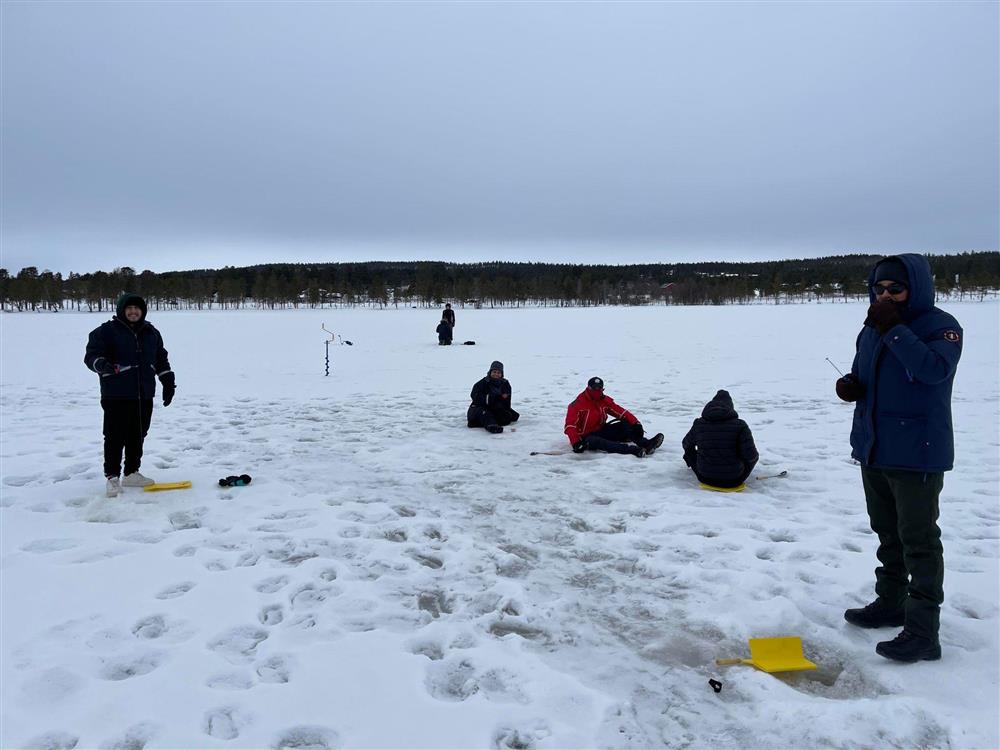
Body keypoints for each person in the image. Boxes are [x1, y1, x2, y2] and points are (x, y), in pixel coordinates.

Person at [836, 254, 962, 663]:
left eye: (896, 289)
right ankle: (890, 602)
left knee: (919, 542)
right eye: (879, 289)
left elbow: (930, 371)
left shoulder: (941, 328)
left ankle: (923, 632)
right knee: (887, 533)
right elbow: (865, 370)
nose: (885, 296)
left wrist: (894, 327)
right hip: (876, 446)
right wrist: (852, 384)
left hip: (918, 453)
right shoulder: (872, 325)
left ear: (917, 289)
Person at [84, 293, 175, 498]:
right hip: (116, 393)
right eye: (129, 309)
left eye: (137, 309)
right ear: (122, 310)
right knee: (115, 436)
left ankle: (132, 472)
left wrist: (167, 380)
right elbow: (91, 356)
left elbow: (160, 359)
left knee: (138, 434)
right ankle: (112, 477)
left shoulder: (151, 333)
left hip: (143, 393)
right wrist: (102, 364)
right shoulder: (106, 332)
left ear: (142, 311)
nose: (133, 312)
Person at [564, 377, 663, 458]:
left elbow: (621, 412)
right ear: (589, 388)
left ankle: (647, 444)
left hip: (601, 430)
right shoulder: (577, 404)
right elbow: (570, 426)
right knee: (600, 442)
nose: (597, 391)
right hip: (585, 438)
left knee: (625, 424)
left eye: (600, 388)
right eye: (595, 389)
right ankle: (634, 451)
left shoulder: (603, 400)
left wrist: (636, 423)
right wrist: (576, 442)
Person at [681, 389, 758, 488]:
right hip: (734, 480)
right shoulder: (740, 425)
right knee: (746, 451)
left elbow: (686, 444)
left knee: (689, 451)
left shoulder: (699, 424)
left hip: (704, 477)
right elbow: (752, 456)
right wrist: (744, 470)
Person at [467, 361, 519, 434]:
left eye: (498, 373)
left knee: (512, 416)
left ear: (502, 374)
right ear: (490, 372)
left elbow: (507, 401)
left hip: (495, 407)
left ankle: (481, 422)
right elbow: (475, 396)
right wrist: (490, 398)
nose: (496, 374)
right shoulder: (482, 383)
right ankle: (491, 426)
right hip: (479, 407)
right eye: (494, 372)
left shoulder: (505, 383)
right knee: (485, 414)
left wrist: (504, 400)